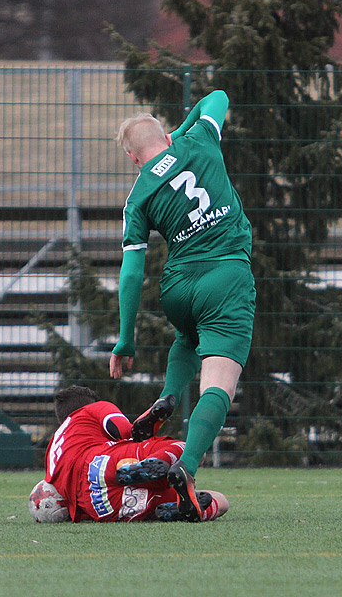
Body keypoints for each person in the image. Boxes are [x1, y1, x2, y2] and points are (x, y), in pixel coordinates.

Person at [109, 90, 255, 522]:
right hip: (225, 275)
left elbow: (132, 274)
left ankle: (168, 396)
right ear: (167, 138)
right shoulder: (199, 140)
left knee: (188, 336)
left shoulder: (137, 198)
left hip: (178, 287)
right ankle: (186, 469)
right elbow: (219, 95)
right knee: (220, 383)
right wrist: (184, 128)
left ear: (135, 159)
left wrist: (124, 339)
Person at [31, 385, 228, 523]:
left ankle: (170, 498)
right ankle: (161, 464)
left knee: (214, 499)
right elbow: (125, 431)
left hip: (97, 506)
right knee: (191, 450)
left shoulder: (53, 451)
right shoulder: (92, 409)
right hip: (101, 462)